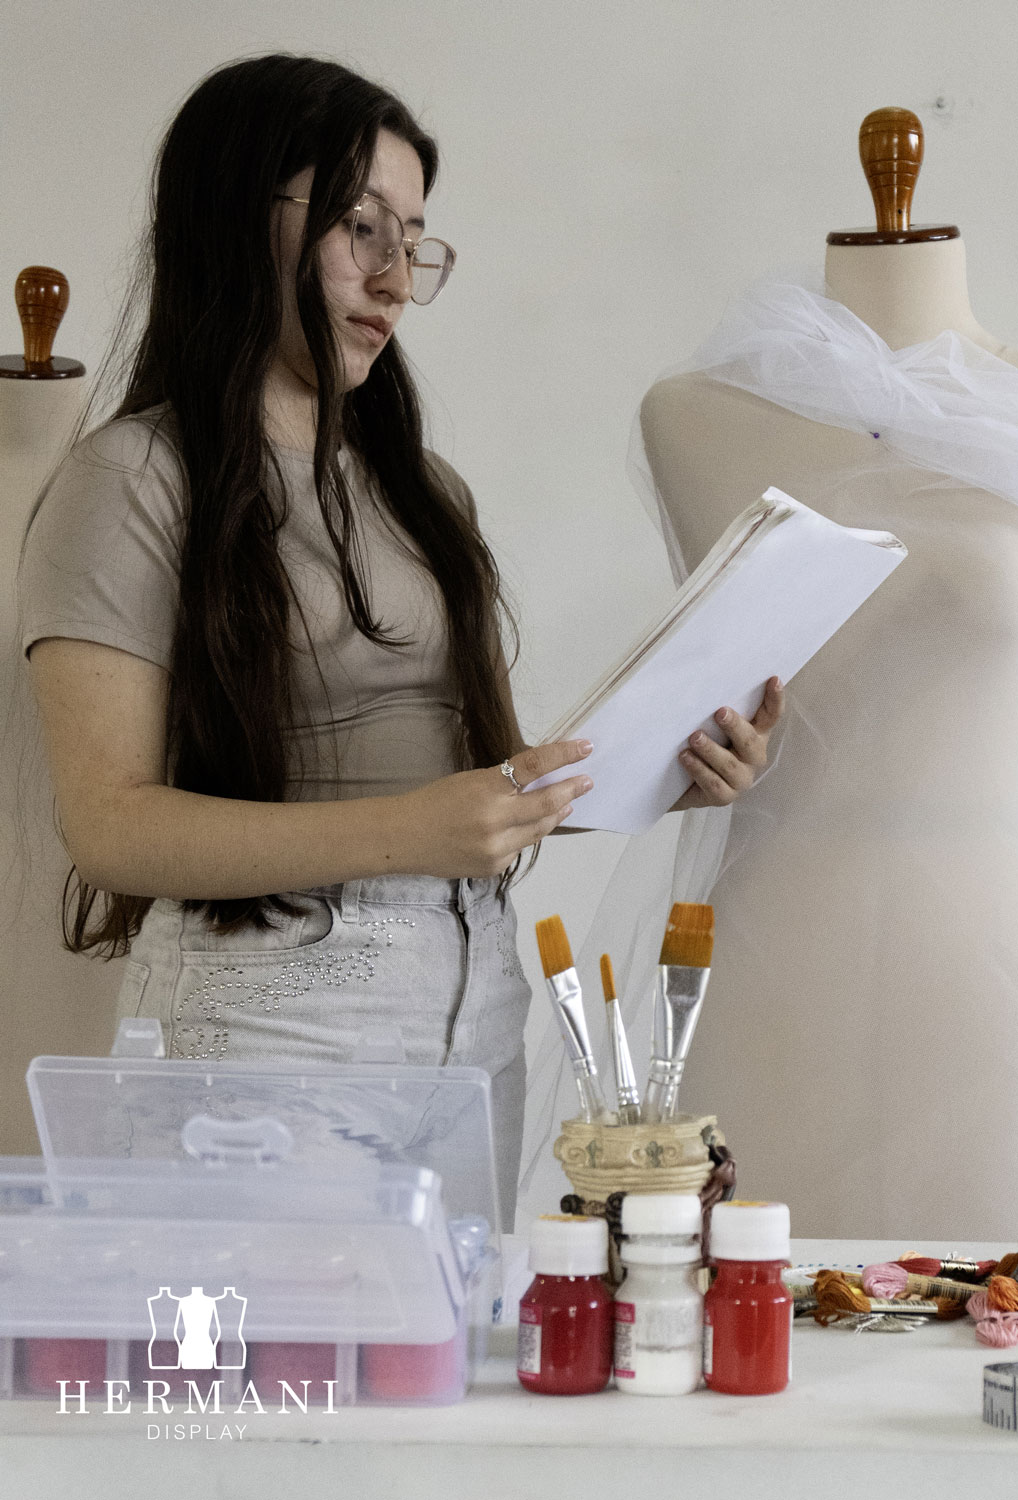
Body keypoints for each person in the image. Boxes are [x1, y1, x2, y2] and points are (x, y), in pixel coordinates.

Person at [16, 55, 782, 1228]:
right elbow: (108, 827)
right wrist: (416, 832)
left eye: (414, 242)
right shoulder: (131, 479)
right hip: (265, 1020)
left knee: (459, 1351)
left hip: (473, 1010)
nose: (393, 280)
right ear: (239, 216)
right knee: (278, 1354)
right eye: (359, 226)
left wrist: (660, 767)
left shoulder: (425, 491)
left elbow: (471, 788)